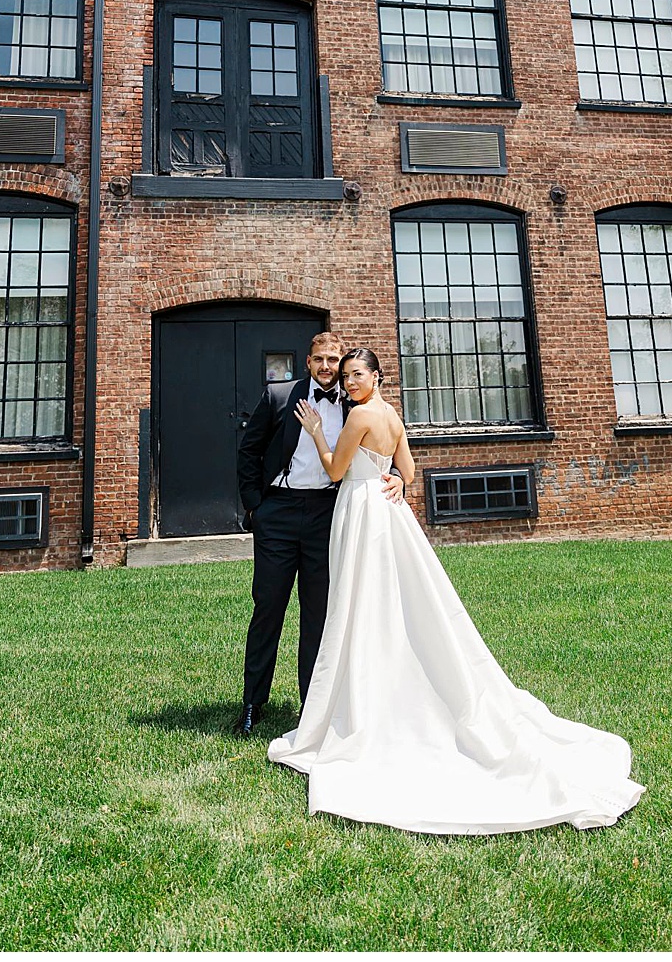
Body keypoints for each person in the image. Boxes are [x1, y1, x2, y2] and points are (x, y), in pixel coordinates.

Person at [266, 347, 644, 833]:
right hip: (387, 511)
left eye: (357, 374)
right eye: (346, 376)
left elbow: (336, 472)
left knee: (358, 603)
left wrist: (319, 433)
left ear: (377, 376)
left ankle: (362, 699)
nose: (350, 382)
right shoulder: (394, 417)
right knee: (382, 597)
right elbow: (410, 471)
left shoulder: (360, 415)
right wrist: (400, 484)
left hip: (361, 511)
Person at [234, 332, 402, 736]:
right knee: (268, 607)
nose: (328, 367)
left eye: (334, 360)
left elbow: (387, 445)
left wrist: (396, 477)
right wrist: (257, 505)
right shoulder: (279, 396)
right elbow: (249, 451)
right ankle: (253, 703)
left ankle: (314, 705)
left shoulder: (355, 401)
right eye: (320, 360)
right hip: (278, 511)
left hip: (328, 515)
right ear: (307, 362)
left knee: (320, 614)